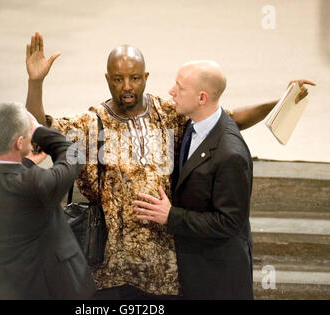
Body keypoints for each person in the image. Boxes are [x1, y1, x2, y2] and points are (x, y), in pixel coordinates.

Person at [24, 32, 312, 299]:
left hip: (168, 261)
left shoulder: (168, 113)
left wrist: (282, 101)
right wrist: (36, 83)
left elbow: (229, 118)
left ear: (146, 77)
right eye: (118, 79)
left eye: (135, 78)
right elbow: (40, 134)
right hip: (113, 261)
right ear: (107, 78)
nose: (126, 87)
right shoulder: (94, 122)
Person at [133, 60, 255, 299]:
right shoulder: (195, 124)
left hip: (218, 279)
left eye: (179, 87)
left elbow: (229, 223)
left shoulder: (230, 154)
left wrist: (171, 216)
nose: (171, 91)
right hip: (197, 268)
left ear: (202, 98)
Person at [0, 102, 96, 299]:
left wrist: (26, 162)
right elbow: (74, 155)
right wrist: (39, 130)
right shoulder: (37, 183)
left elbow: (5, 185)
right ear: (19, 142)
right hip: (47, 289)